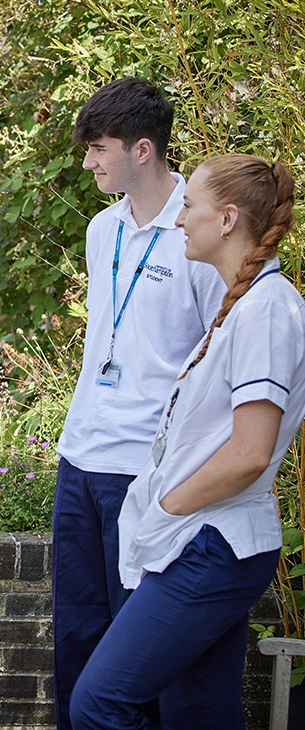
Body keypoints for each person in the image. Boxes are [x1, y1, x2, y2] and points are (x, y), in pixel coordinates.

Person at [70, 154, 302, 729]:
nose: (178, 221)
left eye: (190, 208)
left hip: (212, 543)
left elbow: (249, 454)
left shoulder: (267, 314)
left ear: (226, 221)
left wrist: (166, 506)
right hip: (203, 539)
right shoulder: (242, 306)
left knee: (98, 702)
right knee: (200, 711)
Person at [51, 78, 227, 727]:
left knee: (137, 651)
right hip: (80, 459)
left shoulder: (199, 232)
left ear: (142, 148)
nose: (90, 162)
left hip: (147, 473)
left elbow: (217, 355)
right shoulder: (102, 230)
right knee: (73, 636)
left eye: (99, 149)